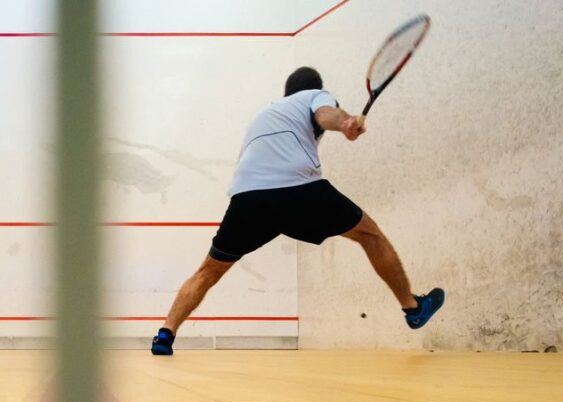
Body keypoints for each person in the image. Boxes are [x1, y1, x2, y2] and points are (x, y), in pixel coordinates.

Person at [151, 67, 443, 356]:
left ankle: (165, 333)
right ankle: (412, 308)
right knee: (370, 235)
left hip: (247, 198)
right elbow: (325, 114)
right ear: (315, 88)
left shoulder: (265, 113)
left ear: (286, 91)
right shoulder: (315, 95)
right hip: (298, 190)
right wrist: (344, 122)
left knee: (209, 271)